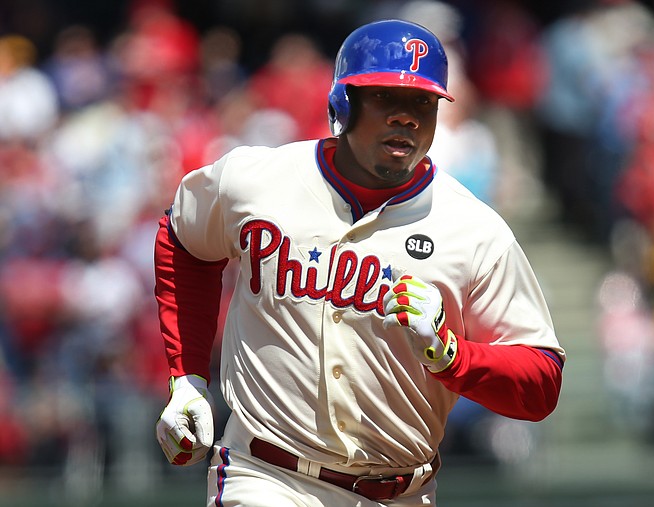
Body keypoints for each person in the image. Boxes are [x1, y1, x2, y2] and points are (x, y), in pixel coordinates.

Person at [154, 19, 565, 507]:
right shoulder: (253, 181)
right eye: (386, 98)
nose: (407, 118)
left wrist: (452, 356)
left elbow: (540, 382)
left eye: (422, 103)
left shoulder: (474, 231)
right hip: (267, 475)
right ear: (342, 104)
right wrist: (188, 378)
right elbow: (183, 239)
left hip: (403, 490)